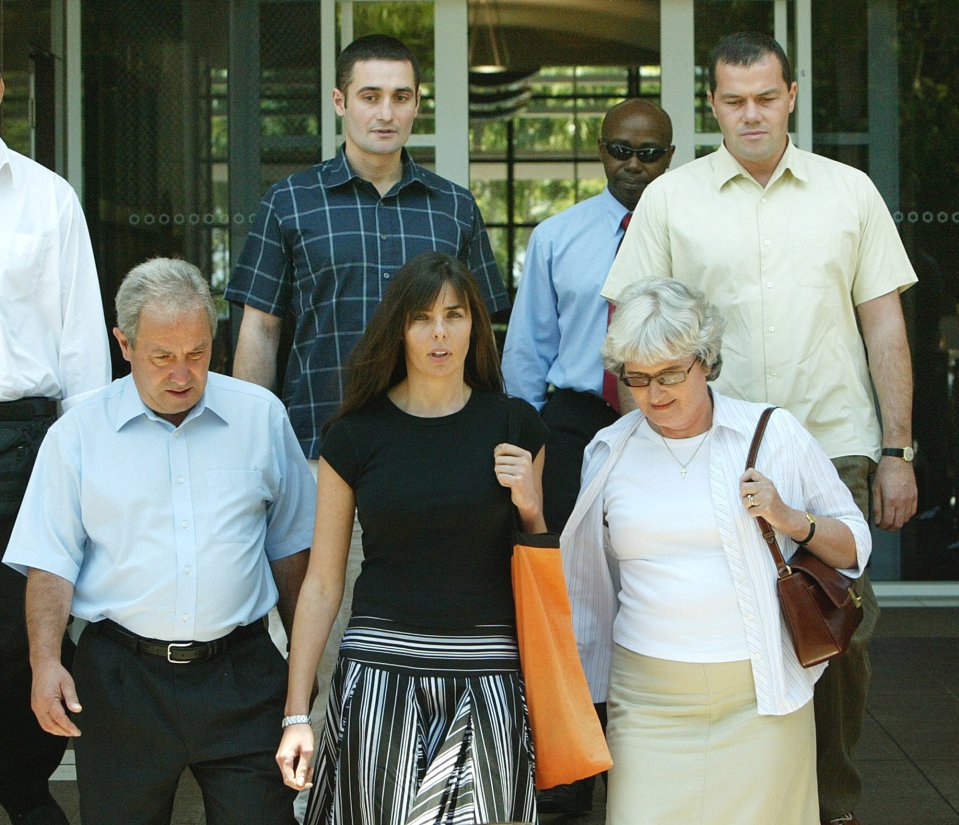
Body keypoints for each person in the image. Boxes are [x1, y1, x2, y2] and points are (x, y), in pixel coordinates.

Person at [602, 31, 917, 825]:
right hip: (710, 452)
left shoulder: (849, 193)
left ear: (792, 95)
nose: (751, 114)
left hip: (833, 451)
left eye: (765, 98)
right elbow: (630, 325)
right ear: (712, 103)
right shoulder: (670, 200)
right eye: (734, 100)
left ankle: (832, 804)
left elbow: (884, 326)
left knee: (833, 637)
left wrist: (896, 450)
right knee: (728, 630)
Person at [4, 258, 317, 825]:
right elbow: (50, 564)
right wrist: (45, 661)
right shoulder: (75, 435)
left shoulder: (260, 418)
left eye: (197, 353)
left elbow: (293, 553)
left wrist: (302, 666)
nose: (182, 373)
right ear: (123, 344)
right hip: (122, 679)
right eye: (162, 357)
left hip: (241, 673)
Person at [562, 277, 872, 824]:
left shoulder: (773, 433)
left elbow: (854, 545)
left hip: (761, 697)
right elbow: (593, 584)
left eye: (671, 374)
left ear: (705, 360)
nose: (655, 394)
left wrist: (789, 518)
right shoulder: (609, 451)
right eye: (638, 378)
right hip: (647, 699)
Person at [275, 252, 547, 825]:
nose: (440, 332)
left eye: (455, 314)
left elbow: (539, 567)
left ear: (477, 322)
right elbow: (323, 584)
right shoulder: (353, 436)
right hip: (379, 676)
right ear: (399, 328)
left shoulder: (516, 425)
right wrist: (297, 713)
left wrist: (529, 507)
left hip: (486, 677)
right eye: (422, 317)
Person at [500, 96, 674, 814]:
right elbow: (526, 355)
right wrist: (529, 447)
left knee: (652, 579)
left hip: (665, 426)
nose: (632, 165)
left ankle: (649, 763)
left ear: (670, 155)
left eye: (650, 153)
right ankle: (570, 775)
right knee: (571, 605)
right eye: (619, 150)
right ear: (599, 150)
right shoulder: (557, 234)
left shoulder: (686, 232)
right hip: (573, 425)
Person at [226, 33, 509, 459]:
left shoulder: (454, 206)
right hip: (319, 444)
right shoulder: (290, 202)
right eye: (370, 97)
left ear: (417, 103)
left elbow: (480, 330)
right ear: (340, 101)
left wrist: (486, 431)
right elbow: (261, 329)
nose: (386, 113)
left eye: (400, 97)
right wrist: (251, 444)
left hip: (435, 448)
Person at [0, 72, 111, 825]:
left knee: (24, 630)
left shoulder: (46, 197)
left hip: (24, 437)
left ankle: (25, 789)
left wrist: (93, 461)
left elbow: (81, 347)